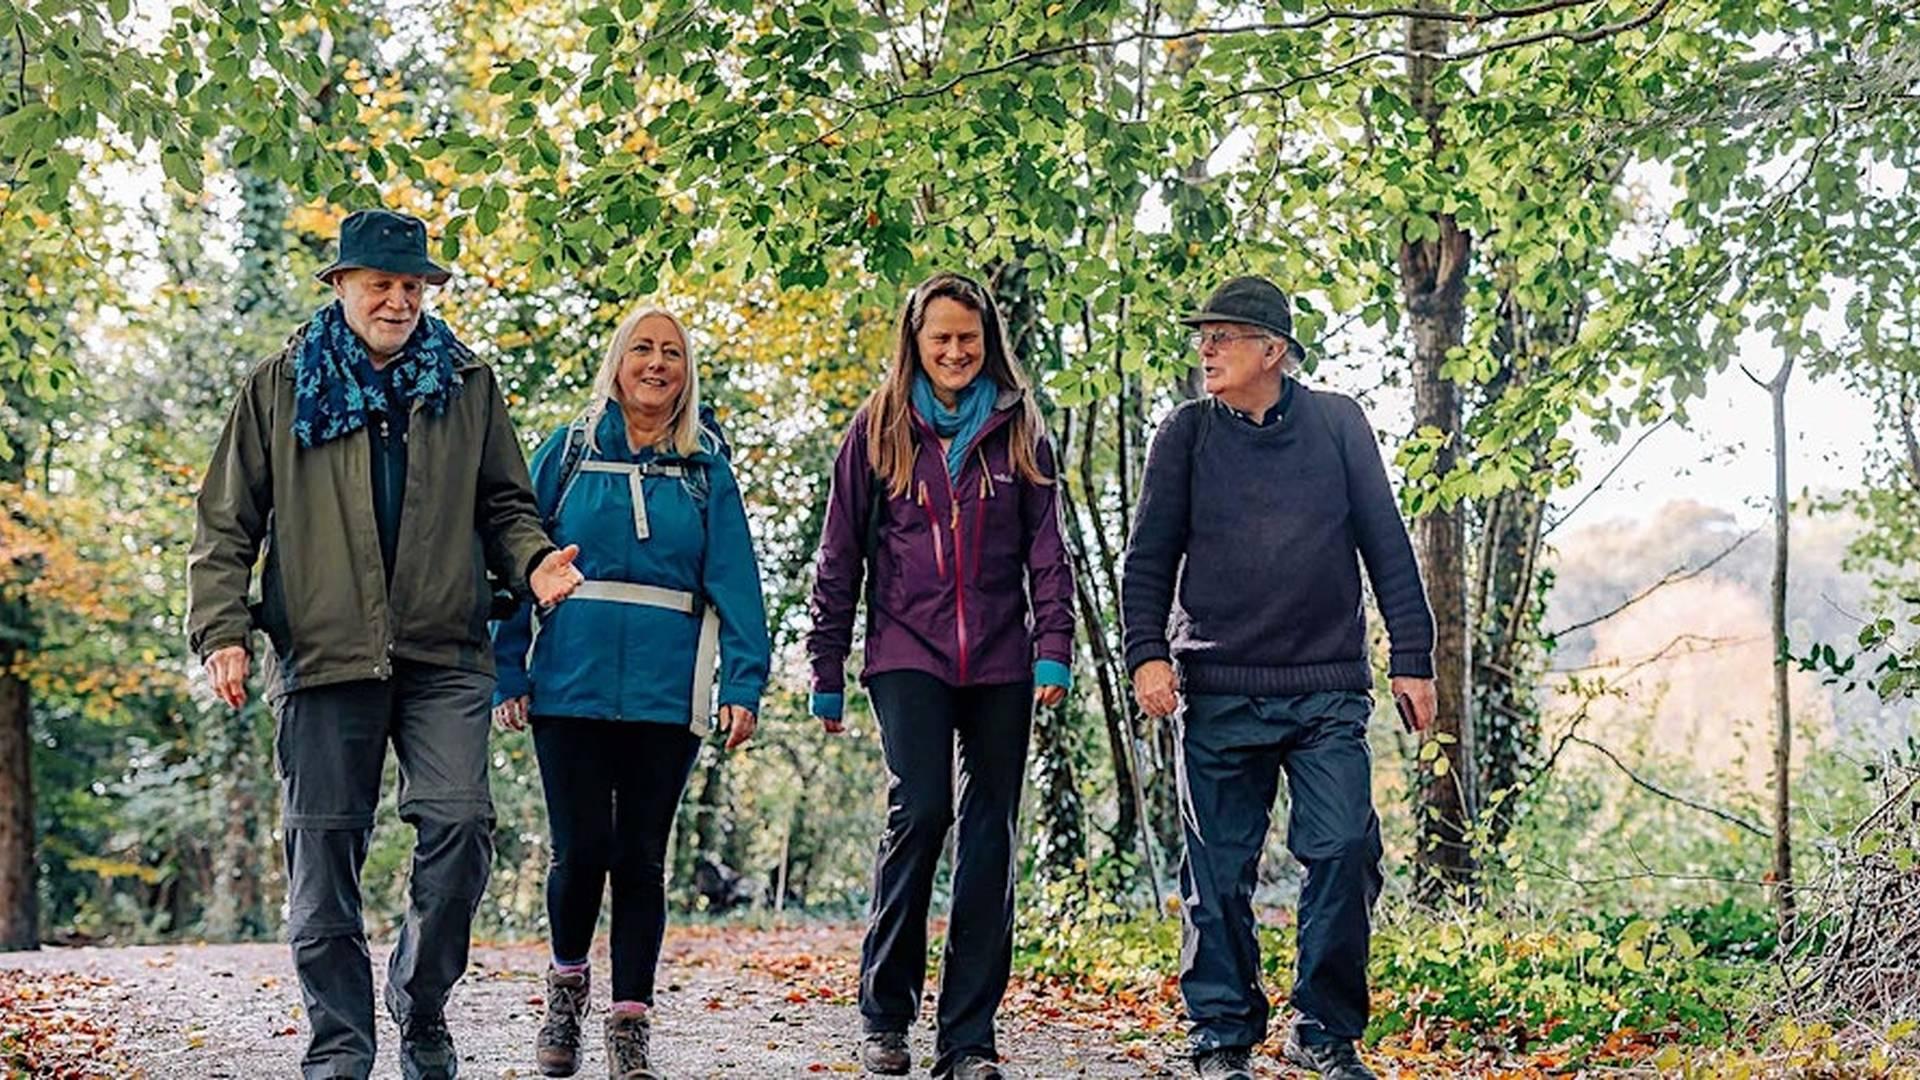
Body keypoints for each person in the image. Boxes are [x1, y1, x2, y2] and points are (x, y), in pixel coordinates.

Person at [186, 208, 586, 1080]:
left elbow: (506, 505)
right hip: (325, 656)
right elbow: (226, 524)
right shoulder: (280, 385)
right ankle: (339, 1046)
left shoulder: (467, 384)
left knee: (461, 825)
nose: (400, 301)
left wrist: (535, 562)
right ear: (340, 287)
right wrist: (223, 632)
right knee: (323, 855)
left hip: (445, 650)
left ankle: (420, 998)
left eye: (413, 286)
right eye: (382, 285)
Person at [1120, 276, 1437, 1080]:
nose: (1206, 350)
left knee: (1341, 850)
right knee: (1218, 869)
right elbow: (1148, 557)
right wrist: (1146, 653)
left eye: (1222, 336)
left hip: (1326, 683)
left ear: (1274, 349)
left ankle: (1324, 1031)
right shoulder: (1184, 436)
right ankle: (1223, 1033)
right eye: (1203, 337)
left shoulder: (1338, 424)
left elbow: (1387, 544)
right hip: (1218, 685)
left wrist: (1412, 658)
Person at [807, 272, 1076, 1080]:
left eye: (969, 338)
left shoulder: (1021, 427)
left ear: (988, 341)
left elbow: (1048, 554)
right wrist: (826, 662)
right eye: (941, 340)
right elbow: (840, 552)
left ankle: (968, 1040)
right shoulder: (878, 427)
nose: (956, 352)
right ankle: (886, 1014)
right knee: (921, 812)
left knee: (989, 835)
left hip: (1000, 656)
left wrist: (1052, 646)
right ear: (915, 344)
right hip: (906, 651)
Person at [491, 305, 770, 1079]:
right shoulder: (569, 452)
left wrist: (743, 680)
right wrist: (508, 666)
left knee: (642, 859)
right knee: (580, 850)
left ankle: (629, 1025)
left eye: (672, 353)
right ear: (616, 362)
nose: (656, 364)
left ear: (687, 372)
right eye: (642, 349)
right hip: (570, 683)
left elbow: (738, 581)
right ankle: (566, 988)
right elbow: (519, 556)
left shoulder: (706, 466)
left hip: (665, 689)